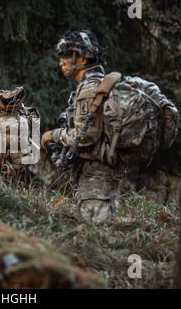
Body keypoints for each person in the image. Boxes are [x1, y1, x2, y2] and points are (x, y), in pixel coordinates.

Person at [41, 30, 119, 223]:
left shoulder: (91, 89)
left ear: (83, 60)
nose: (62, 61)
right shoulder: (98, 85)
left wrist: (52, 135)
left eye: (67, 55)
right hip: (98, 171)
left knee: (96, 229)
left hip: (96, 173)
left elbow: (84, 136)